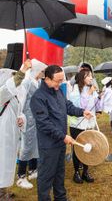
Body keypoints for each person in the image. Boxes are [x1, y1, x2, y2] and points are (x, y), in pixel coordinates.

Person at [30, 65, 93, 201]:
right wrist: (63, 136)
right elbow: (44, 123)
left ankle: (61, 198)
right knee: (46, 176)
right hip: (48, 145)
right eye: (57, 81)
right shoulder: (38, 97)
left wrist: (82, 112)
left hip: (60, 143)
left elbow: (68, 106)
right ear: (47, 79)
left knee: (59, 173)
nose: (60, 83)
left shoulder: (58, 91)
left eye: (62, 80)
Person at [0, 60, 31, 200]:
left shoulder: (16, 94)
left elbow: (20, 112)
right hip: (2, 134)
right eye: (11, 76)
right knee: (2, 163)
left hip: (11, 135)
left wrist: (21, 119)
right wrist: (23, 70)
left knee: (7, 164)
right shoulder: (3, 93)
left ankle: (3, 189)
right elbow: (8, 89)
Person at [17, 59, 47, 190]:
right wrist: (19, 115)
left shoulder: (39, 82)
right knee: (27, 146)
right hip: (28, 118)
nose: (43, 73)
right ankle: (21, 176)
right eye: (42, 71)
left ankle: (33, 170)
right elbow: (21, 99)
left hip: (37, 118)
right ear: (36, 70)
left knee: (35, 144)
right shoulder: (27, 82)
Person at [69, 69, 100, 184]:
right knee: (78, 148)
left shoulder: (91, 89)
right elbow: (79, 106)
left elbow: (96, 106)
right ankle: (76, 172)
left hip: (89, 124)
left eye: (91, 76)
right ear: (82, 78)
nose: (91, 78)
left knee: (89, 147)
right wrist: (89, 93)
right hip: (77, 125)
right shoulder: (75, 90)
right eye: (89, 76)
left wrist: (99, 99)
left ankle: (85, 172)